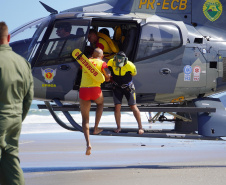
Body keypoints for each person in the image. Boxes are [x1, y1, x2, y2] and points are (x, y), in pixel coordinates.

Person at [0, 22, 33, 185]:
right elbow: (28, 97)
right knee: (11, 162)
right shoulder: (23, 63)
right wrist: (18, 118)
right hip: (14, 120)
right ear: (9, 37)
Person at [79, 48, 111, 155]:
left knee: (85, 119)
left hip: (84, 90)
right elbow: (108, 76)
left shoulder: (86, 62)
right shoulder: (103, 63)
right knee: (100, 104)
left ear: (92, 54)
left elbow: (80, 69)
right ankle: (96, 128)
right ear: (102, 56)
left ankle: (88, 143)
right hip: (95, 90)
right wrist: (106, 79)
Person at [108, 51, 144, 135]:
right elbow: (107, 68)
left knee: (133, 106)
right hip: (116, 87)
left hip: (128, 87)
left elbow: (134, 74)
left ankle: (140, 127)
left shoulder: (130, 65)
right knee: (117, 107)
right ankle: (118, 127)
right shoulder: (111, 62)